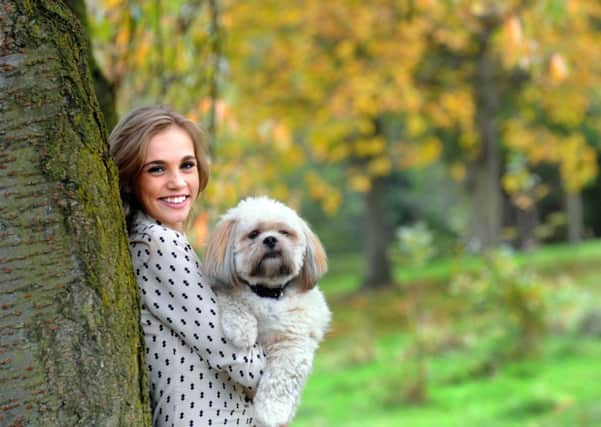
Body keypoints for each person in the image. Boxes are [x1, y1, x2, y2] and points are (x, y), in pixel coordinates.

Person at [109, 105, 265, 426]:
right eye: (156, 169)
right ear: (128, 179)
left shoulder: (150, 238)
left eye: (187, 165)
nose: (177, 182)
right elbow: (239, 360)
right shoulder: (159, 244)